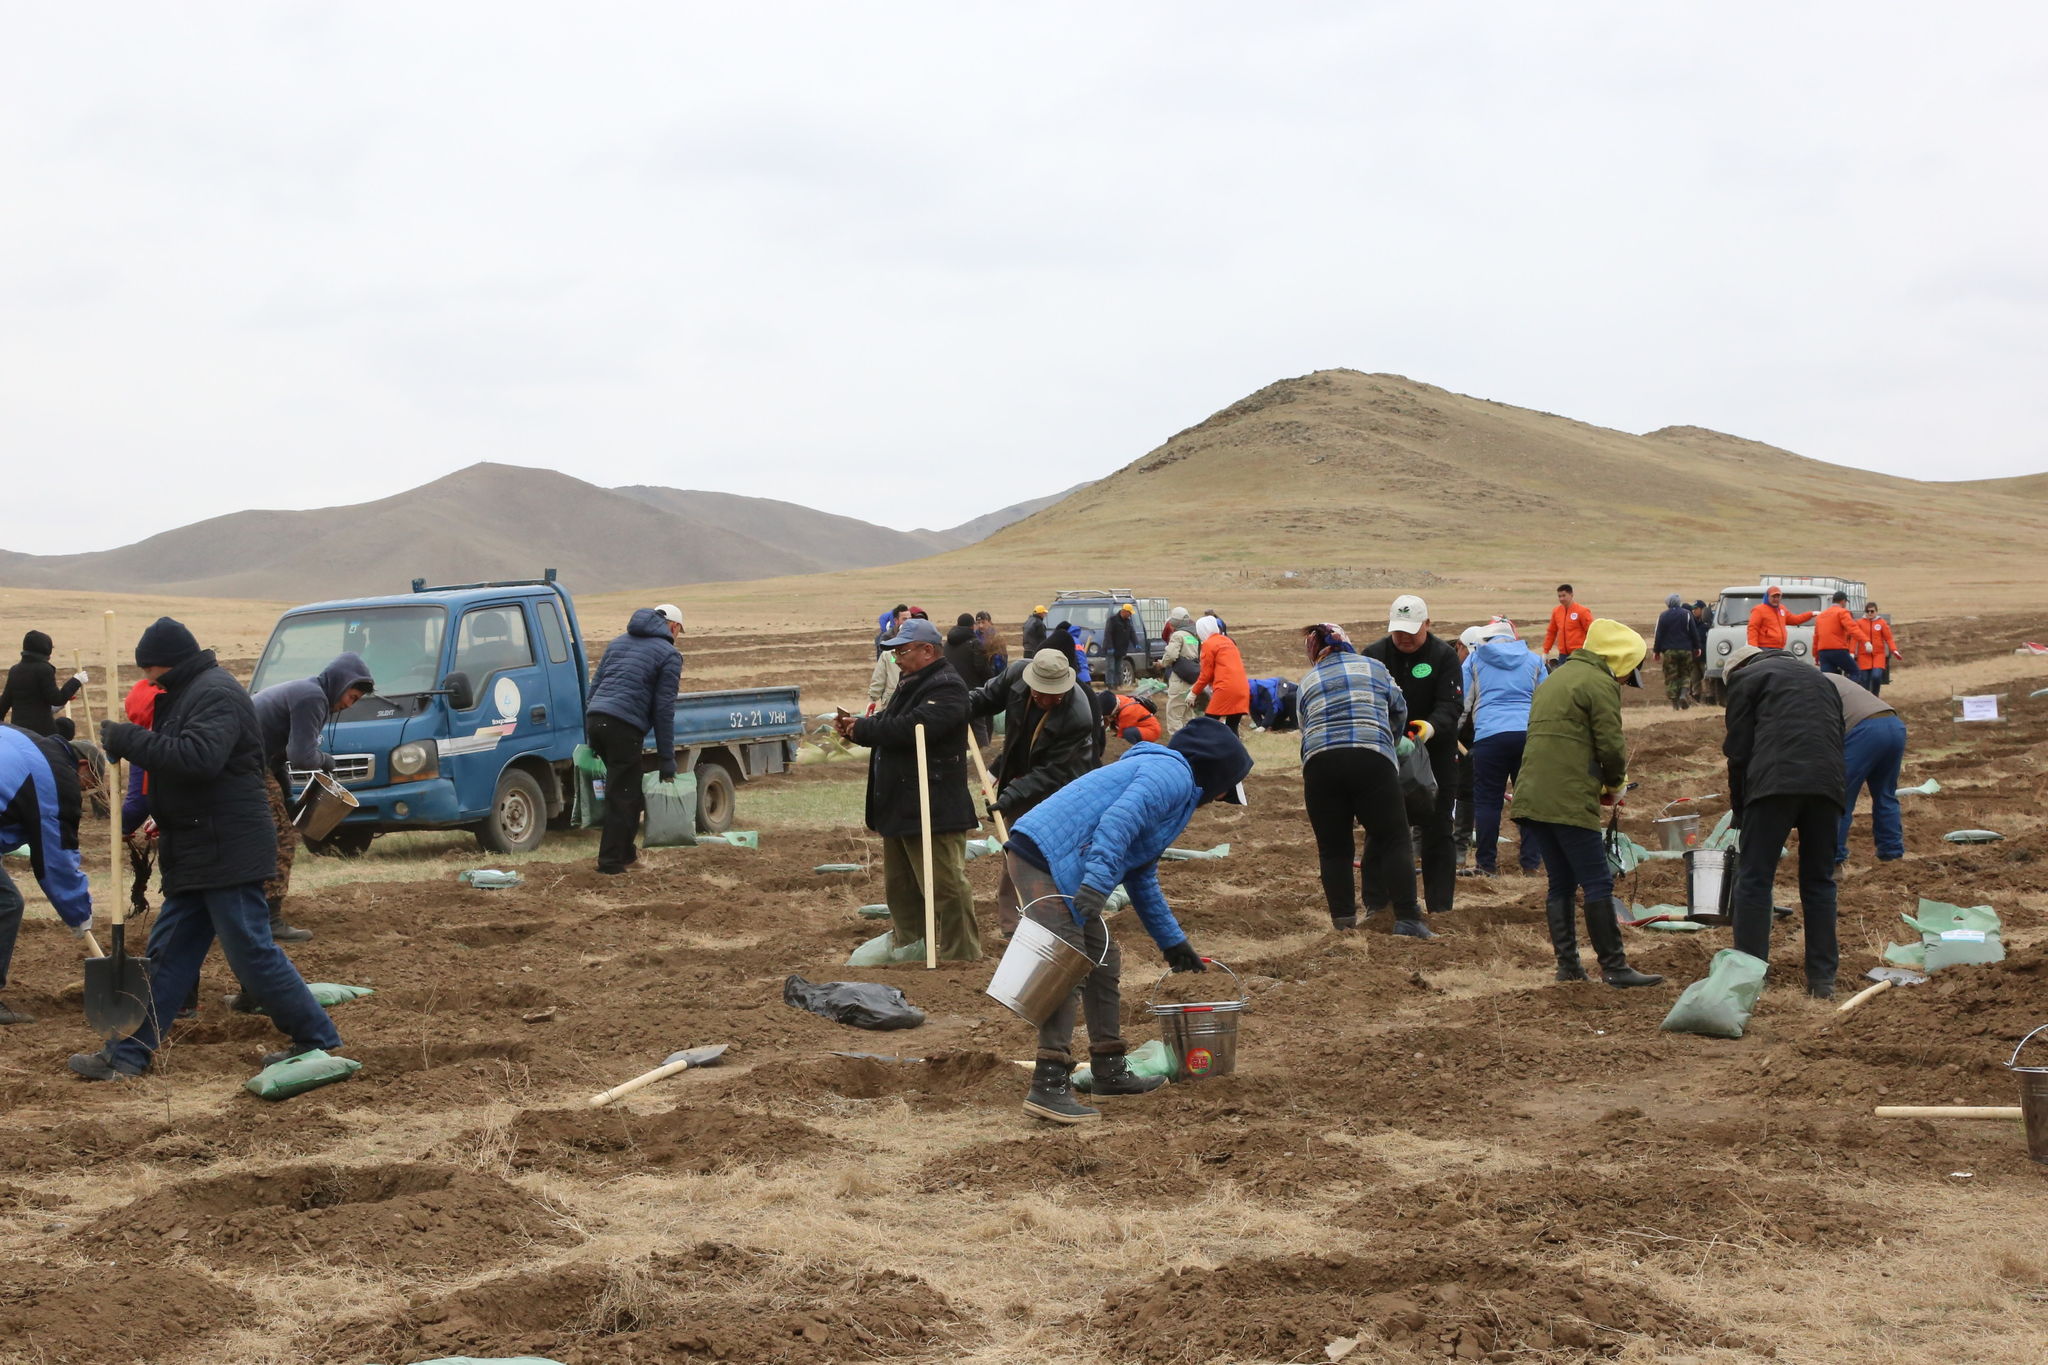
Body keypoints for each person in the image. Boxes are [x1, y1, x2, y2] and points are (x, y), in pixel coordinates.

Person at [73, 617, 342, 1080]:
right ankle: (127, 1055)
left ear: (164, 665)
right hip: (200, 848)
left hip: (227, 848)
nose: (147, 682)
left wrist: (129, 740)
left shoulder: (214, 693)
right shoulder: (184, 696)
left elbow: (198, 759)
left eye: (149, 672)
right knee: (169, 954)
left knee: (251, 952)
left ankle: (318, 1040)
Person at [1006, 716, 1251, 1123]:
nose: (1224, 795)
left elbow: (1141, 873)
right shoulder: (1170, 774)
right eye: (1227, 786)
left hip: (1054, 860)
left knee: (1102, 957)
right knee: (1068, 964)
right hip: (1042, 857)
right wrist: (1099, 883)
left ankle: (1109, 1069)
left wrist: (1172, 942)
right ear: (1216, 772)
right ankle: (1048, 1084)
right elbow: (1117, 823)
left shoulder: (1174, 786)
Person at [1513, 619, 1662, 988]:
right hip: (1567, 797)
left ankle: (1568, 967)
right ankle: (1615, 967)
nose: (1628, 681)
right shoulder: (1600, 683)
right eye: (1630, 673)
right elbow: (1610, 745)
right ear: (1622, 661)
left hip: (1533, 795)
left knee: (1561, 883)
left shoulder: (1556, 678)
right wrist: (1616, 785)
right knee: (1598, 882)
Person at [836, 617, 980, 962]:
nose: (895, 658)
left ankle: (962, 956)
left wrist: (865, 732)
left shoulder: (947, 687)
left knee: (944, 885)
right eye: (893, 652)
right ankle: (912, 948)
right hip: (902, 804)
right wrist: (860, 726)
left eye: (902, 651)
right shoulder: (911, 682)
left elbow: (913, 727)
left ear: (927, 651)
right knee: (901, 888)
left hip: (932, 804)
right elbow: (889, 721)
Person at [1722, 643, 1845, 998]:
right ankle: (1823, 981)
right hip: (1827, 786)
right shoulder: (1821, 680)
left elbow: (1739, 752)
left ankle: (1749, 976)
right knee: (1819, 882)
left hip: (1773, 785)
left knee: (1755, 879)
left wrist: (1740, 811)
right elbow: (1836, 736)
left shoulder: (1747, 679)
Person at [1295, 623, 1429, 937]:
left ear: (1315, 652)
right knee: (1393, 837)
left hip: (1320, 766)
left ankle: (1344, 925)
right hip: (1371, 758)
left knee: (1333, 849)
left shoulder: (1307, 680)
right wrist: (1390, 742)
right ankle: (1408, 919)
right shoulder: (1375, 668)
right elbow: (1398, 708)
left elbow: (1305, 726)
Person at [967, 648, 1097, 936]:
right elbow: (984, 699)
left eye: (1050, 694)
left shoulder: (1078, 715)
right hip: (1020, 770)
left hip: (1062, 786)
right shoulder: (1016, 677)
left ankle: (1058, 919)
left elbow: (1052, 771)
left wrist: (1010, 795)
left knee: (1052, 853)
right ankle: (1014, 928)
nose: (1041, 698)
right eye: (1037, 691)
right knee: (1016, 850)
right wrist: (959, 706)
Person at [251, 653, 375, 942]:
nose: (348, 704)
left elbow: (279, 756)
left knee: (257, 839)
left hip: (248, 762)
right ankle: (269, 920)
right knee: (281, 840)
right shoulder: (313, 698)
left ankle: (246, 912)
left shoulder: (306, 691)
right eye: (351, 696)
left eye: (355, 701)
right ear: (340, 683)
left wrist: (287, 796)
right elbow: (302, 757)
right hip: (246, 766)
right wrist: (327, 761)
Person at [1361, 595, 1462, 921]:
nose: (1404, 638)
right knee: (1383, 830)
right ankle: (1378, 907)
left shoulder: (1444, 656)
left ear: (1427, 625)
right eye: (1398, 632)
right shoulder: (1374, 656)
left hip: (1435, 758)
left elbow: (1451, 706)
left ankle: (1440, 908)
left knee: (1437, 832)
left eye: (1412, 632)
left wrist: (1427, 729)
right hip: (1385, 758)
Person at [0, 724, 96, 1025]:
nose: (85, 791)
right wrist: (79, 914)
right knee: (6, 903)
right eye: (90, 783)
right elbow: (55, 861)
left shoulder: (22, 737)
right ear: (82, 765)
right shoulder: (56, 776)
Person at [584, 605, 684, 876]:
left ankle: (627, 855)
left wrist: (590, 732)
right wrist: (667, 759)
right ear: (672, 626)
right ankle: (611, 863)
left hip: (597, 719)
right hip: (623, 726)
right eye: (678, 630)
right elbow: (664, 709)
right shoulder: (669, 654)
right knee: (623, 796)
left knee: (628, 793)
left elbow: (595, 687)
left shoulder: (618, 643)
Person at [1464, 621, 1546, 877]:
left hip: (1489, 736)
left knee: (1488, 802)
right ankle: (1531, 864)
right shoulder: (1535, 661)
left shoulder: (1475, 660)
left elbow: (1462, 701)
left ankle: (1486, 864)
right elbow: (1546, 700)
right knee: (1530, 800)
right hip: (1528, 736)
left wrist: (1450, 735)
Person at [1827, 671, 1906, 865]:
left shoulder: (1809, 687)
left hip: (1864, 731)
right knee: (1886, 795)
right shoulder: (1832, 678)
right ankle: (1891, 854)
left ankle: (1833, 859)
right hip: (1894, 726)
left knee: (1839, 799)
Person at [0, 631, 89, 738]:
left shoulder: (15, 670)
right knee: (66, 727)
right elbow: (56, 699)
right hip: (42, 733)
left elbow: (4, 703)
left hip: (20, 732)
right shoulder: (44, 669)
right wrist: (76, 681)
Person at [1192, 615, 1249, 732]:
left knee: (1208, 724)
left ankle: (1207, 748)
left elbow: (1206, 674)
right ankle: (1235, 749)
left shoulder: (1208, 644)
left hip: (1225, 689)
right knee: (1232, 727)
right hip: (1242, 688)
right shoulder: (1228, 641)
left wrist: (1193, 693)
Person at [944, 614, 993, 746]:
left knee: (957, 729)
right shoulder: (975, 644)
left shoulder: (947, 644)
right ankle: (983, 759)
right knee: (979, 728)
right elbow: (982, 668)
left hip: (950, 691)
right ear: (972, 626)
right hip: (972, 692)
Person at [1157, 609, 1201, 736]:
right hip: (1192, 678)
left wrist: (1162, 663)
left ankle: (1178, 747)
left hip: (1180, 678)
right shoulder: (1193, 635)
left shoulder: (1178, 635)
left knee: (1174, 715)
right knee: (1188, 716)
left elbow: (1171, 655)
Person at [1652, 594, 1698, 710]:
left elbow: (1659, 635)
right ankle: (1683, 694)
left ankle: (1675, 705)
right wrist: (1697, 648)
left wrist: (1656, 651)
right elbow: (1693, 632)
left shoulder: (1663, 616)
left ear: (1668, 603)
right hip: (1685, 649)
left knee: (1671, 677)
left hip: (1669, 651)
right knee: (1686, 674)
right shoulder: (1687, 614)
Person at [1542, 586, 1594, 671]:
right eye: (1559, 596)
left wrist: (1590, 650)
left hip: (1579, 654)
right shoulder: (1556, 611)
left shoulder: (1582, 611)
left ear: (1571, 595)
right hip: (1563, 655)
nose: (1561, 598)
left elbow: (1591, 631)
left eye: (1564, 595)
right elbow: (1551, 632)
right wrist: (1545, 651)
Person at [1746, 585, 1815, 648]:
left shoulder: (1782, 609)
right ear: (1767, 597)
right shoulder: (1759, 610)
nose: (1776, 599)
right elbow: (1753, 628)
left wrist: (1811, 614)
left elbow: (1795, 620)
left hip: (1779, 648)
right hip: (1764, 647)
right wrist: (1753, 648)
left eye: (1778, 597)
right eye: (1773, 597)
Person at [1812, 591, 1861, 680]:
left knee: (1829, 679)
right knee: (1855, 672)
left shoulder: (1820, 616)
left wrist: (1816, 655)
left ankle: (1830, 694)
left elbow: (1816, 637)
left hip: (1823, 652)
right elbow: (1852, 628)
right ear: (1843, 601)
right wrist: (1866, 641)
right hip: (1838, 650)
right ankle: (1849, 692)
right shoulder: (1842, 612)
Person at [1863, 603, 1903, 694]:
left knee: (1876, 676)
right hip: (1864, 656)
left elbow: (1889, 638)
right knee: (1864, 680)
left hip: (1878, 655)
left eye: (1872, 611)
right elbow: (1854, 638)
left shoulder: (1882, 623)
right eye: (1867, 611)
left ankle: (1875, 696)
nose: (1870, 613)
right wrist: (1852, 652)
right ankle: (1866, 699)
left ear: (1876, 612)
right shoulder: (1860, 623)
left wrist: (1894, 650)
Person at [1104, 604, 1140, 688]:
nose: (1130, 615)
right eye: (1129, 613)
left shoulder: (1128, 621)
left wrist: (1136, 643)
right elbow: (1108, 634)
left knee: (1118, 668)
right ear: (1124, 611)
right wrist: (1109, 647)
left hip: (1121, 649)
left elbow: (1132, 633)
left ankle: (1118, 684)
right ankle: (1110, 685)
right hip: (1111, 649)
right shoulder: (1112, 620)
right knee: (1111, 668)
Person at [1687, 601, 1711, 703]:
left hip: (1705, 656)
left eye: (1696, 609)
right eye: (1693, 609)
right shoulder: (1692, 623)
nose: (1694, 611)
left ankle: (1710, 697)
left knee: (1707, 678)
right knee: (1694, 678)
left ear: (1702, 610)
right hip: (1694, 655)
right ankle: (1696, 697)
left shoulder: (1710, 624)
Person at [975, 611, 1009, 677]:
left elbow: (1002, 659)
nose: (980, 626)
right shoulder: (974, 636)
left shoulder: (996, 638)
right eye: (978, 623)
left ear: (989, 622)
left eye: (983, 622)